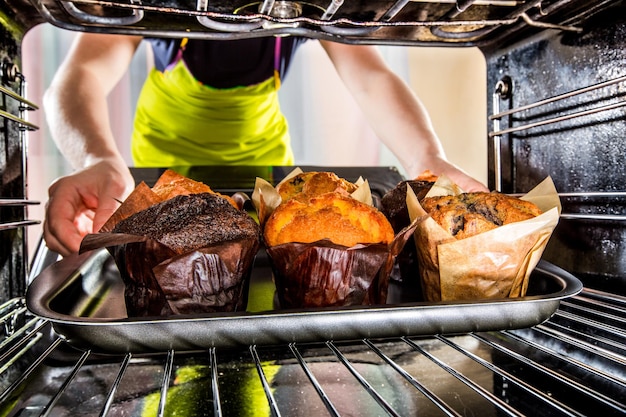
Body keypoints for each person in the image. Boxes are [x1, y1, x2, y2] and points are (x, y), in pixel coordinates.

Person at [42, 33, 487, 257]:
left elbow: (371, 79)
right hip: (165, 174)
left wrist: (427, 159)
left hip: (265, 169)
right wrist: (98, 158)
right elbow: (78, 77)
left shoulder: (303, 9)